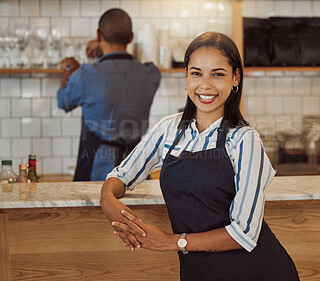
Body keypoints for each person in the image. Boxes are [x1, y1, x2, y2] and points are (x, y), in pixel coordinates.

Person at [100, 32, 300, 280]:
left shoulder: (244, 140)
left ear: (235, 78)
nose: (205, 85)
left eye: (218, 74)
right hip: (198, 272)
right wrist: (108, 200)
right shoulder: (168, 130)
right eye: (196, 73)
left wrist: (171, 242)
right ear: (185, 77)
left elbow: (244, 234)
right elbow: (121, 174)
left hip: (253, 272)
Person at [57, 8, 161, 181]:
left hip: (96, 174)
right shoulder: (151, 74)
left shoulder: (85, 75)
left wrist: (70, 68)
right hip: (136, 172)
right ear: (131, 38)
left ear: (98, 35)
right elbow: (122, 69)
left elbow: (63, 101)